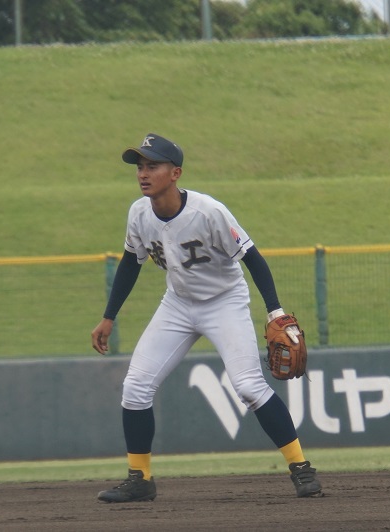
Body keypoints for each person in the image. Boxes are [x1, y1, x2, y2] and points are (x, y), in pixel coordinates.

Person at [91, 133, 323, 503]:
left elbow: (252, 258)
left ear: (175, 173)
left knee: (249, 387)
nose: (143, 173)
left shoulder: (208, 212)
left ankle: (301, 468)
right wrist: (109, 316)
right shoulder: (139, 213)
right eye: (140, 167)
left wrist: (275, 310)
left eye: (153, 166)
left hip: (224, 302)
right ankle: (140, 479)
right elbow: (131, 263)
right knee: (135, 387)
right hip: (177, 304)